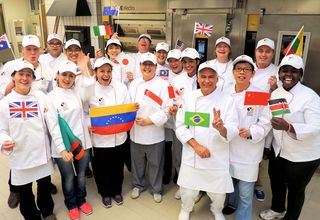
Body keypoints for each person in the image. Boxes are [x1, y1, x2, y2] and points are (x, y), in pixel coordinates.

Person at [259, 54, 320, 220]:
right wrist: (264, 143)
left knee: (296, 189)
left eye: (293, 71)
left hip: (303, 154)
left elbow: (316, 127)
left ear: (300, 74)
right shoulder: (276, 93)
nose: (288, 74)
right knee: (277, 181)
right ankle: (277, 209)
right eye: (284, 70)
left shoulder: (310, 97)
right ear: (279, 73)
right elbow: (270, 121)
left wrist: (289, 126)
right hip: (279, 149)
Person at [176, 61, 238, 220]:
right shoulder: (189, 97)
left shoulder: (227, 100)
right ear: (197, 78)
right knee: (188, 191)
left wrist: (221, 128)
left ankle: (216, 209)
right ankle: (186, 208)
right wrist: (196, 146)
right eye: (203, 76)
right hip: (193, 153)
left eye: (211, 77)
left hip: (216, 155)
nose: (207, 80)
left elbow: (233, 129)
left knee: (218, 193)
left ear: (218, 79)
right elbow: (181, 126)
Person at [2, 34, 57, 209]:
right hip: (18, 130)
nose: (32, 52)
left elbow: (51, 92)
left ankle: (46, 206)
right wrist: (14, 89)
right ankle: (15, 189)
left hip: (41, 126)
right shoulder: (10, 66)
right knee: (23, 179)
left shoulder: (46, 69)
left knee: (43, 179)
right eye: (28, 49)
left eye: (35, 49)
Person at [223, 55, 271, 219]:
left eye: (246, 69)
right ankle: (231, 203)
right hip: (228, 147)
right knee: (230, 182)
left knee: (245, 191)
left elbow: (266, 121)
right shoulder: (225, 92)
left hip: (248, 151)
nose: (242, 72)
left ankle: (243, 217)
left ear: (253, 73)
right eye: (239, 69)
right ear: (233, 72)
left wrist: (252, 132)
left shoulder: (260, 94)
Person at [45, 60, 93, 220]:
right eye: (64, 74)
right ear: (57, 75)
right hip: (63, 146)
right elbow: (53, 126)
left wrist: (85, 68)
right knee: (68, 178)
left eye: (71, 75)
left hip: (81, 143)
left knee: (80, 175)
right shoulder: (50, 97)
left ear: (75, 78)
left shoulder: (77, 93)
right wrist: (62, 149)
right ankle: (71, 204)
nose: (67, 78)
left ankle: (81, 200)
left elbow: (86, 111)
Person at [89, 57, 138, 208]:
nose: (106, 74)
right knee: (101, 167)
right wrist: (87, 124)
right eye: (102, 71)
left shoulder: (121, 87)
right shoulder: (89, 89)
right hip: (99, 138)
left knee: (117, 166)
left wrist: (133, 108)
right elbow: (84, 111)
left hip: (119, 137)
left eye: (108, 71)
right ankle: (104, 193)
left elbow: (127, 106)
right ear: (95, 72)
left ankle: (117, 191)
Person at [128, 52, 170, 203]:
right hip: (136, 132)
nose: (147, 67)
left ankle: (156, 188)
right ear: (139, 66)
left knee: (156, 163)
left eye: (150, 65)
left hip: (154, 133)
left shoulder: (164, 85)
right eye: (144, 64)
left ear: (155, 67)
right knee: (137, 162)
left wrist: (149, 121)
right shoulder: (134, 84)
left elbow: (167, 110)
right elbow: (127, 105)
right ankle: (138, 185)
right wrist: (131, 108)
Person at [252, 37, 278, 202]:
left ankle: (258, 186)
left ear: (272, 54)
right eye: (260, 50)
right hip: (244, 117)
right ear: (255, 52)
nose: (263, 54)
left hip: (263, 121)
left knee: (259, 157)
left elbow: (283, 101)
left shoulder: (277, 72)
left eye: (267, 51)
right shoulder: (247, 67)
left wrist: (275, 87)